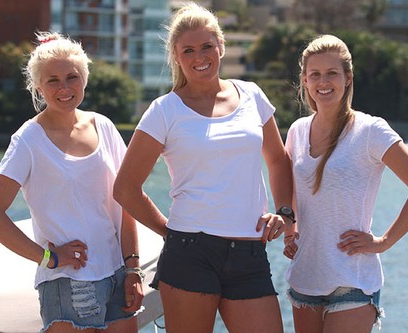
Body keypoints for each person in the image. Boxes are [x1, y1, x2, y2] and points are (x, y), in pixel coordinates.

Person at [113, 3, 294, 333]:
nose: (200, 57)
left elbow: (279, 160)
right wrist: (169, 231)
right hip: (189, 253)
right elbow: (125, 189)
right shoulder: (164, 111)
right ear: (177, 57)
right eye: (189, 50)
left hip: (250, 251)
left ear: (221, 46)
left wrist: (286, 211)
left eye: (207, 46)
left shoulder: (252, 95)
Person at [0, 32, 144, 333]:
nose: (64, 87)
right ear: (39, 87)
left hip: (117, 274)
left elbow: (126, 202)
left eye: (72, 77)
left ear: (85, 79)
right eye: (53, 80)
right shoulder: (28, 140)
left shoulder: (103, 126)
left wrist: (133, 267)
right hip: (67, 283)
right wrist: (48, 258)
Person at [282, 34, 408, 333]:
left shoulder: (371, 130)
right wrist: (291, 229)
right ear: (304, 80)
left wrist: (384, 242)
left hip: (351, 280)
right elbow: (291, 190)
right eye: (315, 74)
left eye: (332, 73)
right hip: (305, 276)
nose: (323, 81)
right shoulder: (297, 131)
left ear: (348, 78)